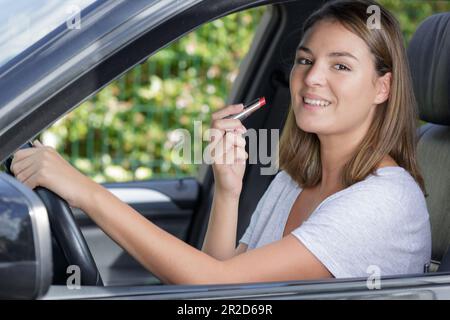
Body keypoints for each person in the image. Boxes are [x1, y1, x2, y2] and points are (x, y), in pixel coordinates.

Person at [11, 0, 431, 284]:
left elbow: (213, 283)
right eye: (305, 59)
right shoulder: (295, 180)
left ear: (382, 87)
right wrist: (228, 191)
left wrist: (86, 191)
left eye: (340, 65)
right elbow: (221, 288)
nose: (312, 77)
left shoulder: (383, 202)